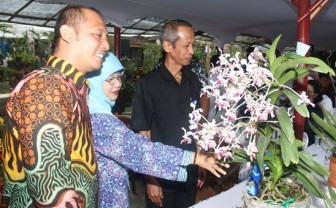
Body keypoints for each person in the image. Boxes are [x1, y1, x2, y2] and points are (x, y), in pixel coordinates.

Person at [87, 52, 228, 207]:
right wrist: (195, 158)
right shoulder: (97, 119)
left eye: (119, 77)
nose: (118, 84)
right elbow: (140, 150)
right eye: (110, 79)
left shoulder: (97, 111)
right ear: (92, 81)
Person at [1, 5, 109, 207]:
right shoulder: (46, 86)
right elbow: (50, 190)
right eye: (98, 35)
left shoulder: (70, 86)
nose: (106, 45)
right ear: (68, 34)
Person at [131, 19, 203, 208]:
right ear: (167, 46)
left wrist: (201, 161)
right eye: (186, 45)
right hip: (161, 175)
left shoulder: (193, 80)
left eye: (193, 45)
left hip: (190, 172)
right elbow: (143, 135)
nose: (191, 51)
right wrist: (150, 179)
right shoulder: (148, 84)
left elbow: (197, 124)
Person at [304, 80, 327, 146]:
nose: (306, 94)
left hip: (310, 144)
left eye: (309, 92)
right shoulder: (299, 106)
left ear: (315, 95)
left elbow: (309, 131)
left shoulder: (316, 110)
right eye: (305, 91)